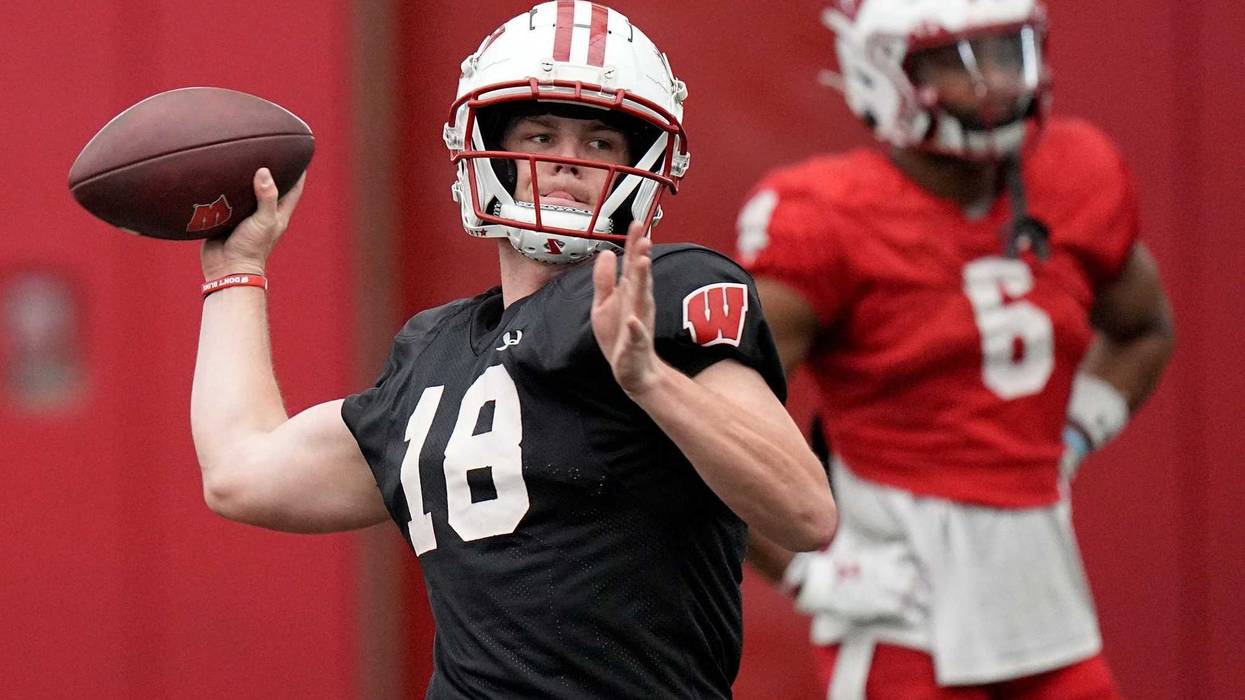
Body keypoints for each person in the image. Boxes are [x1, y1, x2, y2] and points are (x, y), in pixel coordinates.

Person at [190, 2, 836, 698]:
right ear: (483, 147)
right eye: (539, 134)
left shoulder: (668, 290)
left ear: (641, 166)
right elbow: (240, 471)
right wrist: (237, 271)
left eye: (599, 145)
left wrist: (652, 382)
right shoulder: (433, 352)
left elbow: (804, 512)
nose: (566, 163)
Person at [736, 1, 1174, 698]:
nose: (996, 82)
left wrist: (1072, 434)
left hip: (1043, 588)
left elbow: (1144, 328)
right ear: (881, 71)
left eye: (1008, 54)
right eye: (961, 62)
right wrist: (804, 569)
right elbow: (709, 418)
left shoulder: (1076, 171)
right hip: (899, 599)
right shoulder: (826, 217)